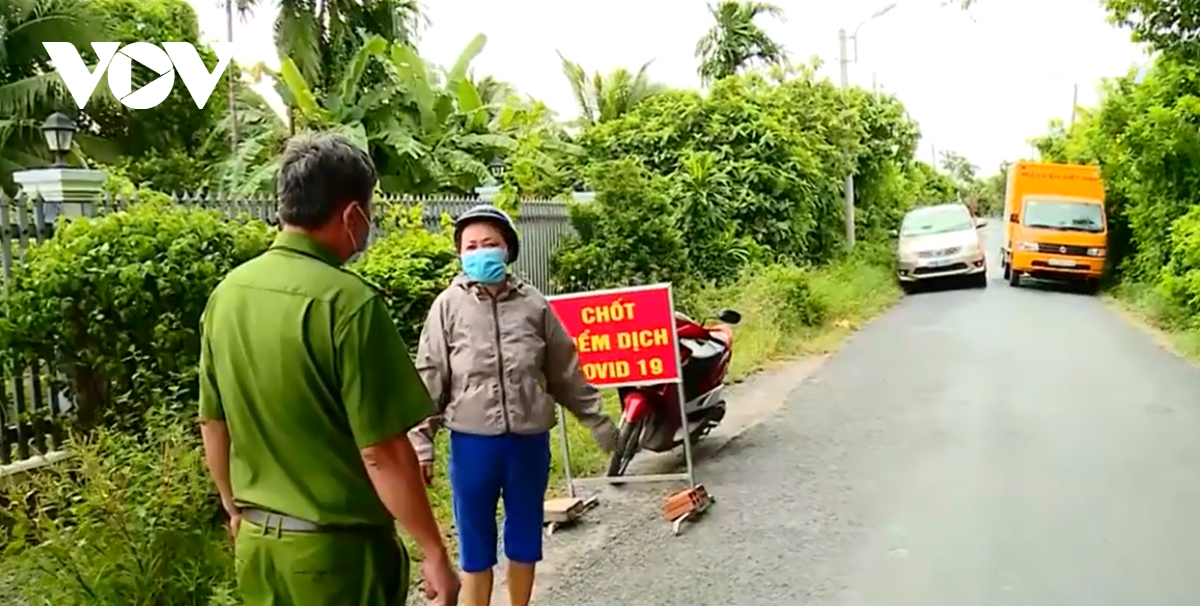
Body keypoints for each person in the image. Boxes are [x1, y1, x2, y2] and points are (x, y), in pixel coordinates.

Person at [198, 132, 459, 606]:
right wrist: (433, 550)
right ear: (352, 215)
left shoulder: (227, 295)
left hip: (259, 550)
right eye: (370, 210)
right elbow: (382, 451)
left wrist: (233, 508)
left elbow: (213, 423)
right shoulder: (350, 304)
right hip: (337, 558)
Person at [409, 204, 618, 606]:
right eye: (471, 245)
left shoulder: (534, 305)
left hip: (527, 442)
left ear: (507, 250)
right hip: (473, 444)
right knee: (475, 543)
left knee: (524, 538)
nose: (480, 251)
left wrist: (599, 423)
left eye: (490, 243)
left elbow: (565, 372)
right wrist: (422, 442)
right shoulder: (448, 306)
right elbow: (431, 376)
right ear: (460, 254)